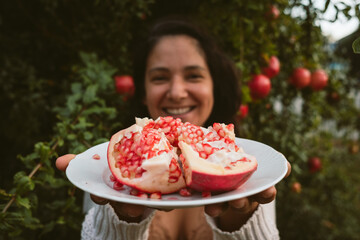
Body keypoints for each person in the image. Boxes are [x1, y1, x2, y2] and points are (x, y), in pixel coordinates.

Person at [56, 16, 291, 240]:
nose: (177, 92)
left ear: (213, 85)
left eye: (193, 76)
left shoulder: (247, 176)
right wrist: (118, 221)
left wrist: (241, 219)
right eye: (160, 78)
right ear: (142, 92)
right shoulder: (104, 177)